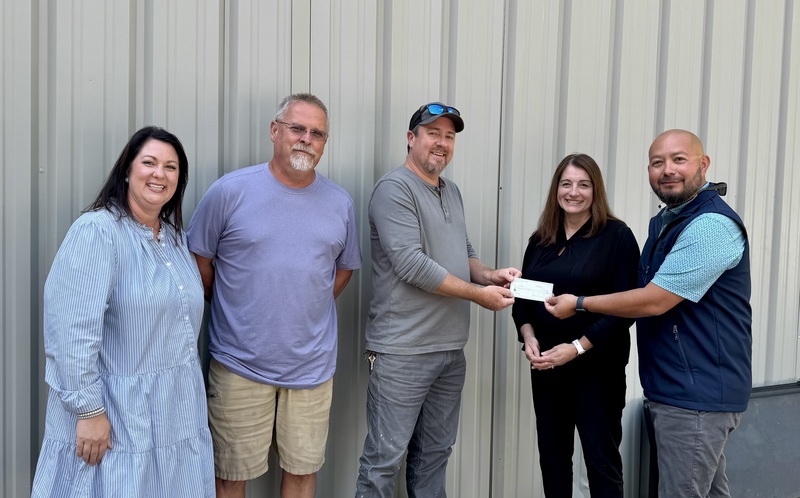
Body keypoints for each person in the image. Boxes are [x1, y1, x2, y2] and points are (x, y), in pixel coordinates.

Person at [546, 130, 751, 498]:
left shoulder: (711, 226)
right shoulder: (667, 221)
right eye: (658, 163)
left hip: (696, 395)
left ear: (703, 165)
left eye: (678, 160)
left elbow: (654, 300)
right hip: (674, 388)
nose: (667, 170)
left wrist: (580, 303)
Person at [187, 93, 361, 498]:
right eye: (297, 128)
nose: (306, 139)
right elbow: (200, 262)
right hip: (238, 364)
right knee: (230, 475)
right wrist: (239, 304)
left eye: (317, 133)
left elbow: (344, 270)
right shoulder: (230, 192)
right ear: (274, 131)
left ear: (324, 143)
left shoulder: (340, 203)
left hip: (311, 369)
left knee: (302, 474)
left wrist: (306, 302)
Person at [31, 126, 215, 497]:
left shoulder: (175, 238)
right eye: (149, 162)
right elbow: (71, 330)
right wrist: (88, 412)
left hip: (175, 410)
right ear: (127, 170)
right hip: (116, 413)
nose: (159, 174)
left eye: (171, 167)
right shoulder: (97, 233)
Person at [355, 102, 521, 498]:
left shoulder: (452, 191)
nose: (442, 143)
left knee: (434, 455)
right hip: (403, 352)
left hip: (450, 351)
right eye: (433, 133)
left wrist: (489, 274)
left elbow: (463, 254)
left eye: (449, 136)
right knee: (384, 460)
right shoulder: (394, 190)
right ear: (411, 139)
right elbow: (412, 264)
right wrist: (479, 295)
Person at [511, 153, 639, 497]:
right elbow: (523, 300)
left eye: (584, 184)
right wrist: (528, 336)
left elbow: (625, 309)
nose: (574, 192)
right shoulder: (541, 240)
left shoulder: (617, 237)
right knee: (553, 461)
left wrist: (578, 347)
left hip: (598, 371)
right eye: (566, 184)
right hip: (548, 367)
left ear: (595, 191)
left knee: (602, 463)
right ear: (556, 189)